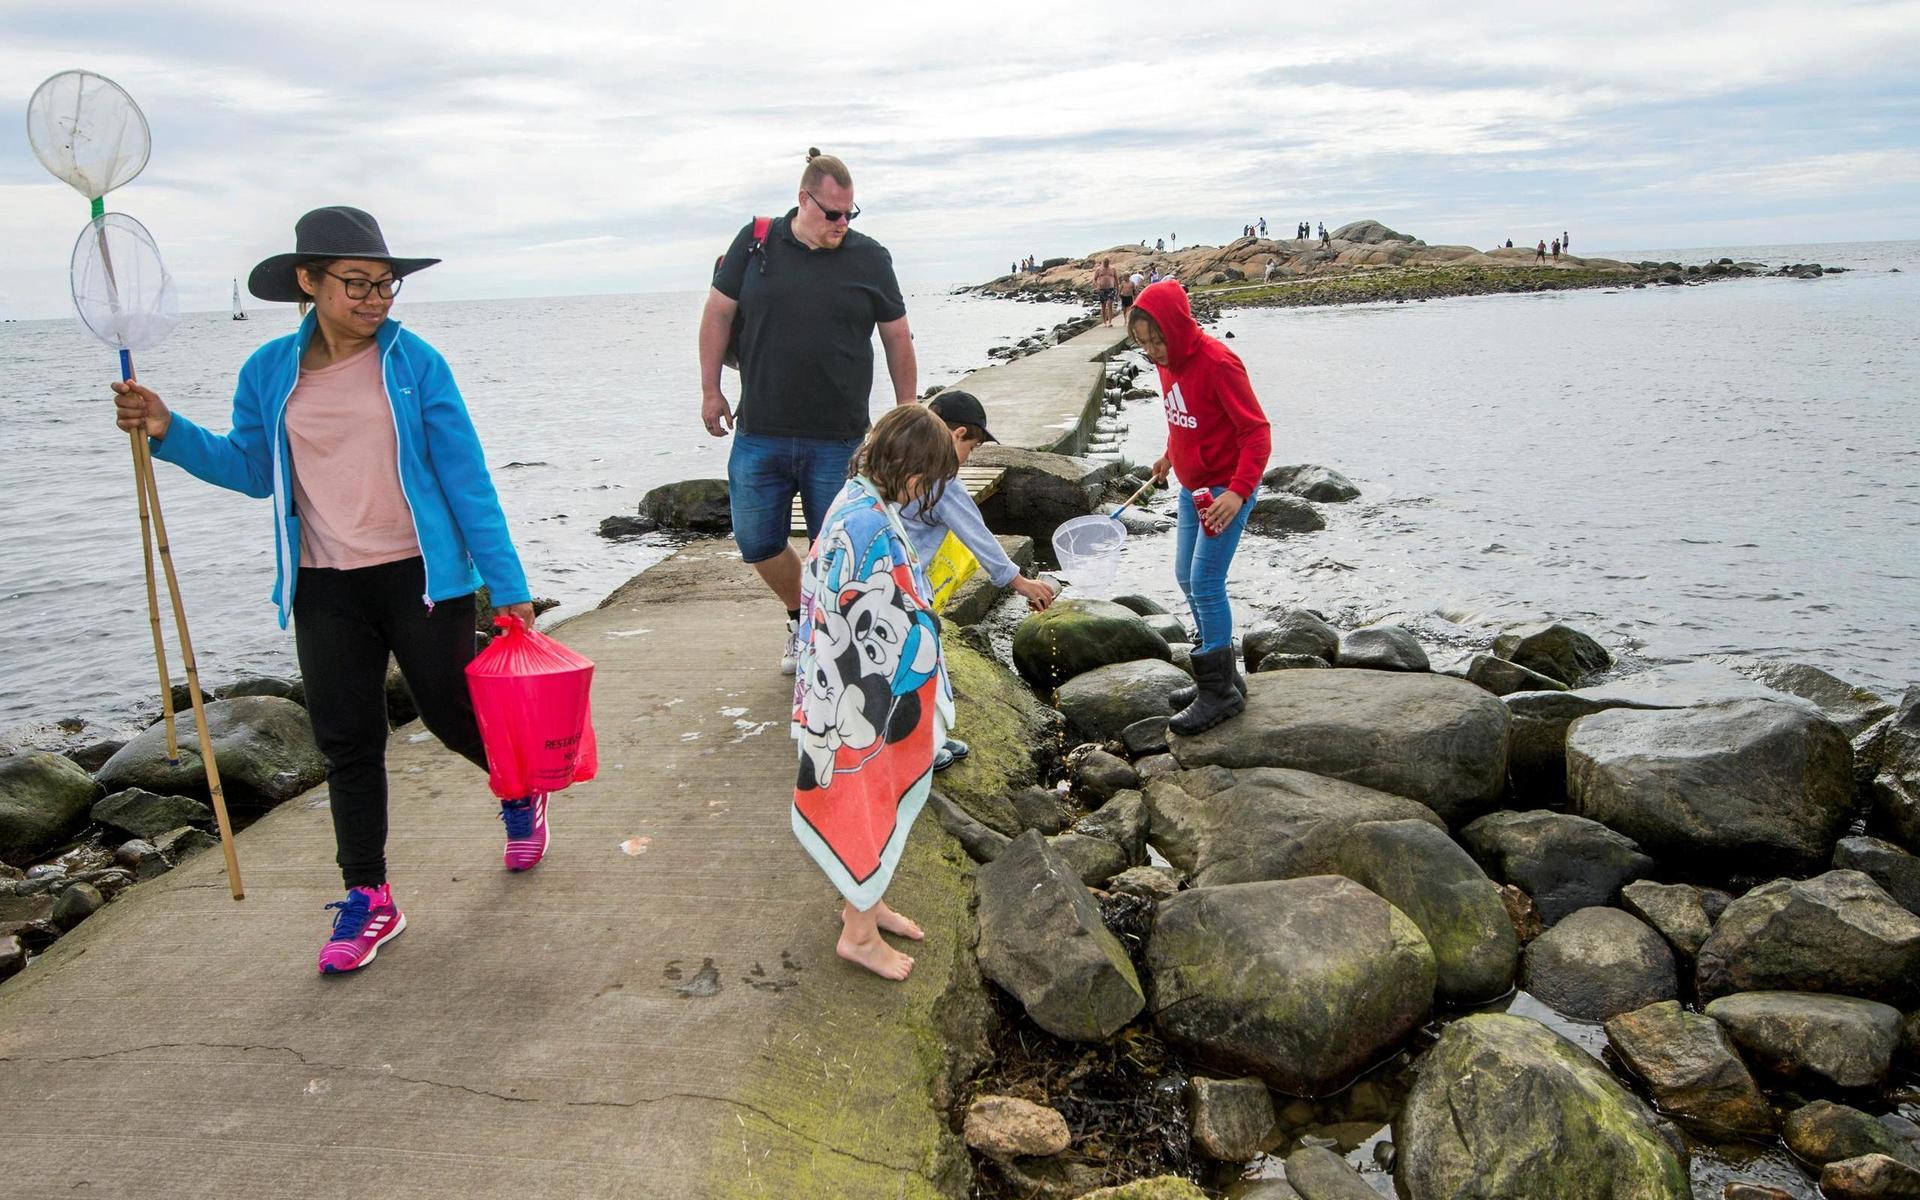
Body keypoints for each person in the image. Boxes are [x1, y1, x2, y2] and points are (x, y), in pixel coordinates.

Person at [110, 206, 541, 975]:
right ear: (307, 283)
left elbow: (466, 478)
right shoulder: (268, 371)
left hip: (423, 577)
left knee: (448, 713)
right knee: (347, 741)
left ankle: (518, 790)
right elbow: (250, 468)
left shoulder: (416, 365)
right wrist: (168, 430)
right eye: (357, 284)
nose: (375, 299)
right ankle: (369, 897)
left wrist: (507, 585)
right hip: (322, 583)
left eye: (385, 285)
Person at [700, 149, 917, 674]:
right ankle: (801, 616)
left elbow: (897, 338)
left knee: (840, 552)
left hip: (839, 439)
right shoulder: (754, 243)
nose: (842, 224)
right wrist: (710, 390)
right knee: (757, 543)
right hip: (760, 433)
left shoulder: (870, 259)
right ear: (804, 200)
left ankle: (835, 641)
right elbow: (716, 316)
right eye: (831, 213)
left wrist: (907, 412)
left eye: (850, 214)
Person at [791, 404, 957, 981]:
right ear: (910, 470)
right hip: (857, 699)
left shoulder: (855, 500)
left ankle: (866, 899)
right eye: (928, 479)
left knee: (874, 801)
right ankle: (858, 935)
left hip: (842, 687)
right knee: (863, 799)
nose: (926, 493)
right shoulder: (866, 521)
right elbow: (876, 609)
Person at [1131, 280, 1271, 736]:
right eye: (1144, 343)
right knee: (1184, 576)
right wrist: (1169, 456)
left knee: (1207, 581)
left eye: (1158, 339)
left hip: (1225, 490)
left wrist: (1237, 491)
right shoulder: (1166, 363)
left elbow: (1256, 433)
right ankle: (1222, 675)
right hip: (1192, 488)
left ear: (1177, 326)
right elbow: (1184, 418)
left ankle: (1220, 694)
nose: (1153, 351)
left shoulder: (1217, 362)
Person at [903, 390, 1057, 771]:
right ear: (956, 435)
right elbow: (978, 536)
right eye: (971, 449)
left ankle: (922, 740)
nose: (968, 459)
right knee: (918, 664)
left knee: (903, 661)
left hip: (873, 577)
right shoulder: (943, 481)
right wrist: (1020, 582)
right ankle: (921, 749)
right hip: (902, 585)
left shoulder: (895, 459)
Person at [1093, 257, 1119, 327]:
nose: (1106, 264)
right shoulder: (1099, 269)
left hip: (1111, 289)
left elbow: (1116, 280)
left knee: (1110, 304)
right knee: (1103, 306)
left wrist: (1118, 292)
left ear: (1109, 262)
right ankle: (1104, 322)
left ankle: (1110, 322)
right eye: (1105, 263)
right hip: (1102, 290)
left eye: (1107, 263)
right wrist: (1097, 285)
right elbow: (1094, 279)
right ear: (1102, 262)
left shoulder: (1113, 269)